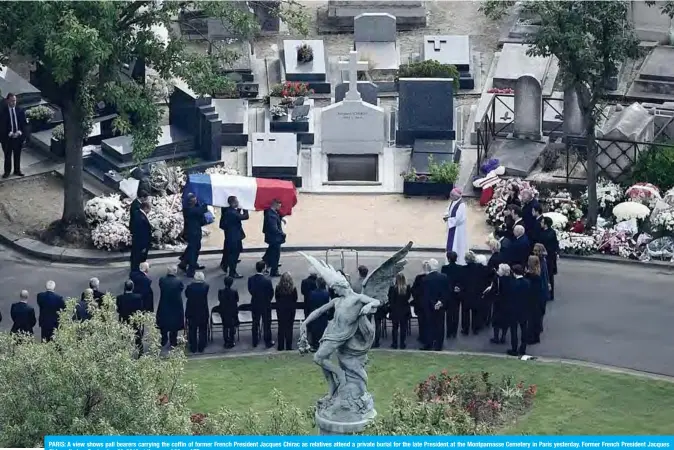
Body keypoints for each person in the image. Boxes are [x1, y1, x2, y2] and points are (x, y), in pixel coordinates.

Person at [421, 259, 450, 351]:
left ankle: (428, 343)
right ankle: (438, 345)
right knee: (440, 325)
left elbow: (426, 295)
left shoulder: (425, 279)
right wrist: (441, 302)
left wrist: (433, 303)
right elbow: (447, 292)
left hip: (429, 306)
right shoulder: (444, 277)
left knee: (429, 325)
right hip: (440, 305)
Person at [219, 195, 249, 278]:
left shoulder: (228, 211)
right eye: (237, 202)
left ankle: (225, 265)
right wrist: (245, 208)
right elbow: (245, 216)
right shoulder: (232, 213)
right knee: (234, 255)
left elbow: (237, 216)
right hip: (234, 237)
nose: (238, 203)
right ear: (233, 203)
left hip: (230, 236)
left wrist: (239, 209)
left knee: (230, 253)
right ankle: (232, 272)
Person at [179, 195, 208, 277]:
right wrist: (205, 203)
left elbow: (200, 215)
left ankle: (184, 263)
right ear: (190, 201)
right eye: (194, 200)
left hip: (195, 231)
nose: (196, 201)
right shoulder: (189, 210)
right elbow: (202, 210)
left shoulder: (192, 209)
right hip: (192, 233)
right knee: (193, 251)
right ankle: (190, 270)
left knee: (194, 248)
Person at [248, 260, 275, 348]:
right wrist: (267, 299)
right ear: (263, 269)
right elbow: (271, 293)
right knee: (267, 323)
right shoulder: (267, 280)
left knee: (255, 322)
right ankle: (268, 341)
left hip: (255, 302)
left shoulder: (251, 279)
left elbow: (250, 290)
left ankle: (254, 341)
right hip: (265, 303)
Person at [157, 266, 185, 349]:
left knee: (164, 322)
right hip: (175, 304)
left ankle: (164, 340)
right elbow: (181, 289)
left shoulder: (162, 280)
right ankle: (173, 341)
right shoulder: (178, 281)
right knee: (174, 323)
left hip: (164, 303)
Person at [506, 264, 531, 357]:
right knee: (524, 329)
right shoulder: (527, 283)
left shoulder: (512, 284)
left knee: (514, 330)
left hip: (514, 310)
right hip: (525, 310)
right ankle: (523, 348)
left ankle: (514, 349)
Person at [1, 93, 27, 178]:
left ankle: (17, 170)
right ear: (7, 101)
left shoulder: (20, 110)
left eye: (15, 100)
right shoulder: (3, 112)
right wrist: (9, 133)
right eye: (12, 101)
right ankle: (7, 171)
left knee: (17, 154)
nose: (13, 102)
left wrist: (20, 132)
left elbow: (23, 124)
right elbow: (2, 125)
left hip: (18, 137)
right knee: (7, 155)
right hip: (7, 138)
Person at [460, 252, 487, 335]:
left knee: (465, 313)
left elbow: (461, 282)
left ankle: (465, 329)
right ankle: (475, 328)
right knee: (476, 312)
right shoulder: (480, 267)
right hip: (477, 293)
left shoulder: (463, 269)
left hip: (466, 294)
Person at [185, 272, 210, 354]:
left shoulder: (190, 287)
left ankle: (193, 347)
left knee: (192, 330)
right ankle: (201, 346)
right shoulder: (206, 286)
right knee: (203, 329)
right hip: (203, 311)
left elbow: (187, 295)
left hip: (192, 311)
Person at [443, 188, 468, 266]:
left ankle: (459, 261)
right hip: (453, 227)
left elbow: (459, 219)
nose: (450, 196)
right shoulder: (453, 201)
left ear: (457, 196)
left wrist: (449, 219)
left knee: (457, 245)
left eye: (452, 195)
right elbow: (449, 209)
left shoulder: (461, 205)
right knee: (452, 244)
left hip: (458, 229)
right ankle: (450, 259)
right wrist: (446, 215)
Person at [116, 280, 144, 351]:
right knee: (137, 336)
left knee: (124, 336)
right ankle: (140, 352)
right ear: (133, 287)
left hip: (124, 319)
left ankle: (124, 351)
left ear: (125, 287)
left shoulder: (120, 298)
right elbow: (140, 309)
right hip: (135, 319)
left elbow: (118, 310)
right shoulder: (138, 297)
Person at [536, 216, 559, 300]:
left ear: (545, 224)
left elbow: (553, 245)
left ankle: (549, 294)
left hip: (548, 257)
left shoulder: (550, 233)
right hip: (544, 256)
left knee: (549, 275)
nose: (540, 224)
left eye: (542, 222)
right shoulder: (544, 231)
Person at [441, 251, 462, 339]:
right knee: (456, 313)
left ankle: (449, 332)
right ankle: (454, 331)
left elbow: (444, 281)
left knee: (449, 314)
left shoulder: (444, 268)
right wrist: (457, 286)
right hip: (457, 293)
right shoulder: (460, 268)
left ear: (448, 259)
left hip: (448, 293)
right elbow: (462, 280)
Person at [525, 256, 545, 345]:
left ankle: (530, 338)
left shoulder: (529, 276)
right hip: (538, 300)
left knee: (531, 320)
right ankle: (536, 337)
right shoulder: (538, 276)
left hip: (530, 301)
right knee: (536, 319)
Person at [387, 272, 411, 349]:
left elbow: (390, 300)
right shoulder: (407, 288)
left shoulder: (392, 288)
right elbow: (408, 298)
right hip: (404, 310)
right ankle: (402, 344)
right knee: (403, 328)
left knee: (395, 328)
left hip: (395, 310)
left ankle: (394, 343)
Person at [262, 199, 286, 277]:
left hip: (272, 238)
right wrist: (282, 233)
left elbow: (278, 216)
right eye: (279, 204)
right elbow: (274, 228)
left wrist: (281, 218)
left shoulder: (271, 212)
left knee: (271, 251)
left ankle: (265, 262)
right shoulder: (271, 215)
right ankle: (274, 271)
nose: (280, 206)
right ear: (275, 204)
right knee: (276, 255)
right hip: (275, 238)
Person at [275, 272, 298, 351]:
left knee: (281, 327)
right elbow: (295, 298)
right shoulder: (293, 288)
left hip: (281, 309)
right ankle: (289, 346)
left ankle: (280, 346)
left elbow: (276, 298)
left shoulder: (278, 288)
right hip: (290, 310)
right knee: (289, 328)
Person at [488, 264, 511, 344]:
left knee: (496, 320)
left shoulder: (497, 279)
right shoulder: (510, 279)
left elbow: (493, 290)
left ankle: (496, 337)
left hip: (498, 301)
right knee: (505, 320)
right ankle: (503, 337)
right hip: (507, 302)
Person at [307, 277, 330, 351]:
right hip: (323, 315)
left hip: (315, 314)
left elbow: (310, 304)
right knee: (323, 330)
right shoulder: (326, 294)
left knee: (315, 330)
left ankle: (315, 345)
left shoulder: (312, 293)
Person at [130, 201, 152, 273]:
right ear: (145, 208)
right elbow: (143, 234)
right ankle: (138, 270)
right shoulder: (142, 218)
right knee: (139, 258)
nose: (150, 211)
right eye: (149, 209)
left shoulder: (137, 213)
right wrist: (144, 246)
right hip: (141, 243)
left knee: (135, 256)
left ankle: (134, 268)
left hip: (136, 240)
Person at [218, 276, 239, 348]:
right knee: (231, 326)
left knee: (225, 327)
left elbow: (220, 300)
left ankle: (226, 341)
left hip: (223, 311)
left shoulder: (220, 291)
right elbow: (237, 300)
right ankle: (231, 341)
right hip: (232, 311)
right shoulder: (234, 291)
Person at [410, 262, 429, 344]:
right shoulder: (430, 277)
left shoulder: (419, 278)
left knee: (421, 321)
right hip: (427, 303)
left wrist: (416, 298)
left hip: (420, 303)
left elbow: (413, 290)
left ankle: (422, 336)